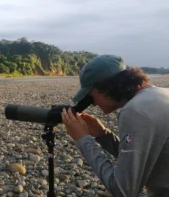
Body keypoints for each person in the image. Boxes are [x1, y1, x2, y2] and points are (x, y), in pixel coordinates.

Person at [61, 54, 169, 197]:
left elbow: (122, 190)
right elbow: (139, 161)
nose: (93, 104)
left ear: (104, 88)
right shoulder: (158, 95)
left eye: (90, 97)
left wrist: (82, 138)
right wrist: (103, 134)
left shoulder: (135, 111)